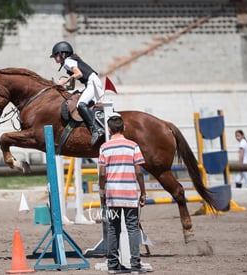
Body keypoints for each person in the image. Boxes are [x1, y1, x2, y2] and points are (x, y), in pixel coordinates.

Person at [98, 112, 151, 274]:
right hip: (129, 193)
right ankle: (135, 264)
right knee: (133, 228)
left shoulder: (104, 147)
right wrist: (143, 192)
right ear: (124, 127)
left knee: (113, 229)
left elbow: (101, 173)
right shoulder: (133, 146)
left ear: (109, 130)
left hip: (113, 194)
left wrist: (102, 192)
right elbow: (139, 171)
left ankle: (113, 265)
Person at [50, 41, 105, 146]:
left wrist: (63, 81)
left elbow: (78, 74)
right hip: (91, 84)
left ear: (63, 54)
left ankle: (96, 129)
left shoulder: (67, 62)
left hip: (92, 84)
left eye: (56, 55)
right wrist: (62, 86)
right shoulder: (70, 62)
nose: (54, 58)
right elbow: (72, 86)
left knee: (81, 104)